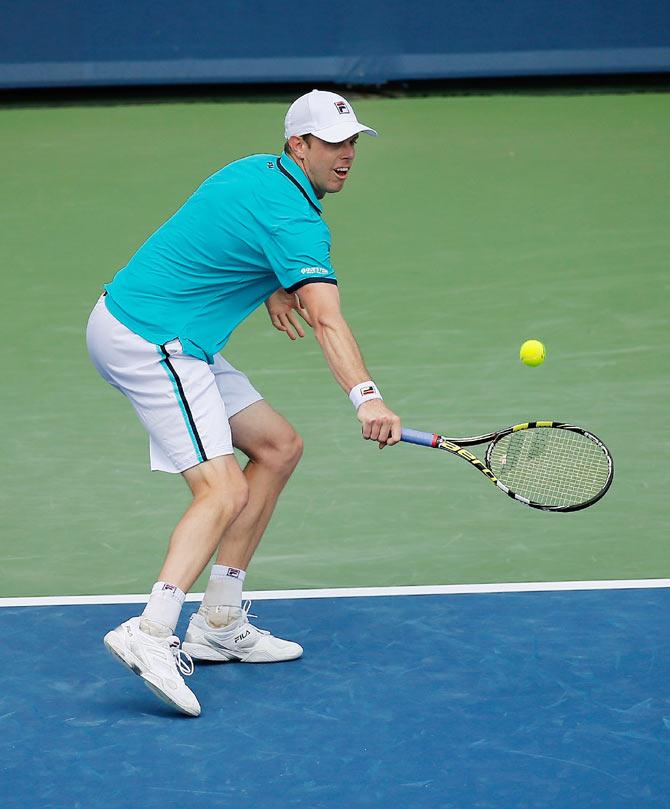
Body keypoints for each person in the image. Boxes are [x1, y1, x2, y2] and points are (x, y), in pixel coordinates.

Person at [86, 89, 402, 717]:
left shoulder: (251, 173)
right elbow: (327, 319)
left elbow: (216, 237)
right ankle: (149, 633)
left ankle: (219, 620)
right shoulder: (295, 221)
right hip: (151, 338)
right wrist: (367, 399)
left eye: (352, 142)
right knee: (221, 489)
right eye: (332, 144)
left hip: (167, 328)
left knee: (279, 447)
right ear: (298, 146)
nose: (346, 156)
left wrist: (269, 288)